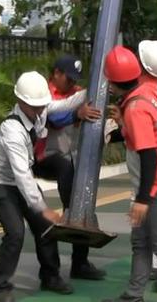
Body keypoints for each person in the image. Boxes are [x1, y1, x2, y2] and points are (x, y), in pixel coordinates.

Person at [0, 71, 98, 302]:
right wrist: (42, 207)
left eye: (42, 105)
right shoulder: (11, 130)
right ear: (21, 101)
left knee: (45, 227)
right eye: (35, 106)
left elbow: (67, 103)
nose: (40, 110)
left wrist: (100, 84)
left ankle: (50, 276)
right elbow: (23, 174)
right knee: (15, 232)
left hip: (18, 182)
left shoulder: (39, 110)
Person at [104, 45, 157, 302]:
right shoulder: (155, 86)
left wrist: (142, 200)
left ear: (114, 83)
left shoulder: (137, 107)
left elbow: (149, 155)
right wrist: (122, 122)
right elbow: (145, 133)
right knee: (141, 243)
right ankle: (134, 295)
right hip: (156, 183)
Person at [31, 55, 106, 281]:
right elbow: (52, 118)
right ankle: (70, 209)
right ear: (56, 74)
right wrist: (76, 113)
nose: (72, 83)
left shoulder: (76, 92)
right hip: (44, 158)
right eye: (68, 78)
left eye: (75, 79)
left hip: (69, 160)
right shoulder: (44, 94)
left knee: (83, 208)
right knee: (66, 175)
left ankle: (80, 264)